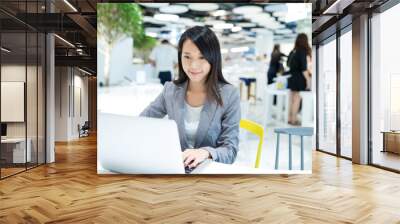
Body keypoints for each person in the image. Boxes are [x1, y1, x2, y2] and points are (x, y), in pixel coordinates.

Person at [140, 26, 241, 169]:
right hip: (176, 171)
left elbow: (230, 151)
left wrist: (206, 152)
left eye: (202, 57)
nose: (193, 65)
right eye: (187, 57)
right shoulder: (171, 90)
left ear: (213, 58)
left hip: (210, 175)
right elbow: (142, 122)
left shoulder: (229, 94)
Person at [287, 33, 312, 125]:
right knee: (297, 99)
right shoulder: (302, 51)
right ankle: (294, 120)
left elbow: (288, 65)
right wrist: (308, 80)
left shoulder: (294, 51)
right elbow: (303, 68)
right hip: (298, 79)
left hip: (292, 77)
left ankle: (289, 119)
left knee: (292, 99)